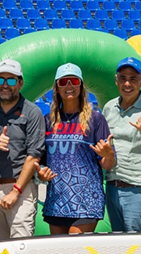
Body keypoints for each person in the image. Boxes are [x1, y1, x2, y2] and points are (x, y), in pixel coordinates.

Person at [38, 63, 115, 234]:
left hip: (86, 201)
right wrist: (42, 174)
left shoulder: (96, 119)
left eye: (74, 81)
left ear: (81, 86)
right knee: (59, 248)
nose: (69, 86)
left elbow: (107, 164)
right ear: (57, 88)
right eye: (63, 82)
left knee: (75, 244)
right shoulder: (48, 120)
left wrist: (109, 155)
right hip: (56, 199)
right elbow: (42, 161)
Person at [0, 58, 45, 239]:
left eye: (11, 80)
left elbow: (33, 156)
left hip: (21, 189)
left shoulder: (32, 112)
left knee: (21, 245)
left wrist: (16, 191)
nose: (5, 85)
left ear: (20, 83)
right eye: (0, 79)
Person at [100, 57, 141, 232]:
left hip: (140, 192)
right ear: (116, 80)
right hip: (113, 188)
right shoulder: (109, 108)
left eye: (133, 78)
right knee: (119, 245)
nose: (127, 83)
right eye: (122, 78)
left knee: (139, 246)